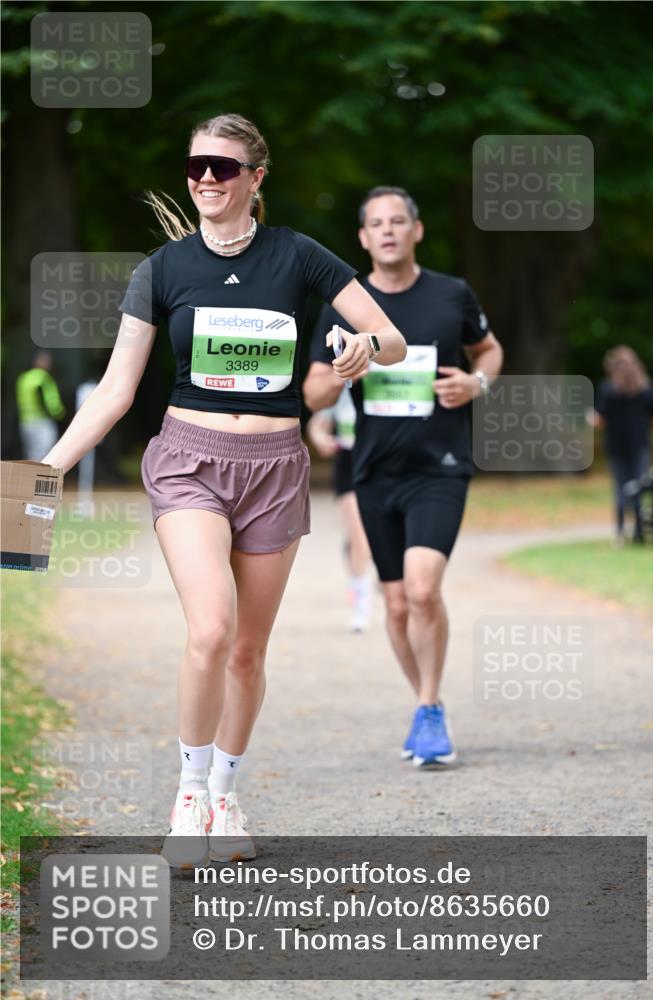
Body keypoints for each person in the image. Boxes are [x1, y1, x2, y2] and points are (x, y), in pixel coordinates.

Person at [41, 115, 406, 868]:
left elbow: (391, 336)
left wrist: (362, 349)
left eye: (223, 167)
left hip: (274, 466)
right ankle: (187, 795)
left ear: (255, 178)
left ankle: (226, 792)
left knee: (246, 650)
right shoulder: (161, 271)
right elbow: (114, 391)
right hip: (189, 461)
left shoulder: (298, 256)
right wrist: (48, 470)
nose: (206, 178)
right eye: (196, 166)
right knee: (209, 629)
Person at [303, 186, 503, 768]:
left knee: (421, 587)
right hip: (373, 470)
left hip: (439, 465)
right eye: (376, 224)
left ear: (417, 230)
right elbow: (312, 392)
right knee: (394, 604)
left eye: (398, 221)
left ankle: (430, 705)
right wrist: (344, 370)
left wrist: (476, 384)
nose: (388, 230)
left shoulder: (451, 294)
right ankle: (424, 707)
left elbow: (489, 351)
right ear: (363, 238)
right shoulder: (345, 304)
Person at [306, 387, 374, 632]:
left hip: (386, 464)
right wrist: (321, 439)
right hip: (349, 465)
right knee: (360, 536)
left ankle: (368, 570)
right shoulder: (344, 386)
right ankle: (361, 606)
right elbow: (317, 425)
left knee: (377, 535)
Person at [593, 346, 653, 544]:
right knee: (639, 487)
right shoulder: (646, 388)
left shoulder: (608, 389)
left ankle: (620, 532)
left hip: (616, 446)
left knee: (620, 489)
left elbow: (600, 420)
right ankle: (639, 532)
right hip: (640, 445)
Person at [16, 351, 66, 460]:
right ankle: (40, 476)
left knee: (31, 453)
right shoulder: (42, 377)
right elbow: (50, 402)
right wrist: (60, 414)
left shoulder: (24, 378)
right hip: (42, 421)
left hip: (25, 422)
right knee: (46, 453)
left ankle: (28, 476)